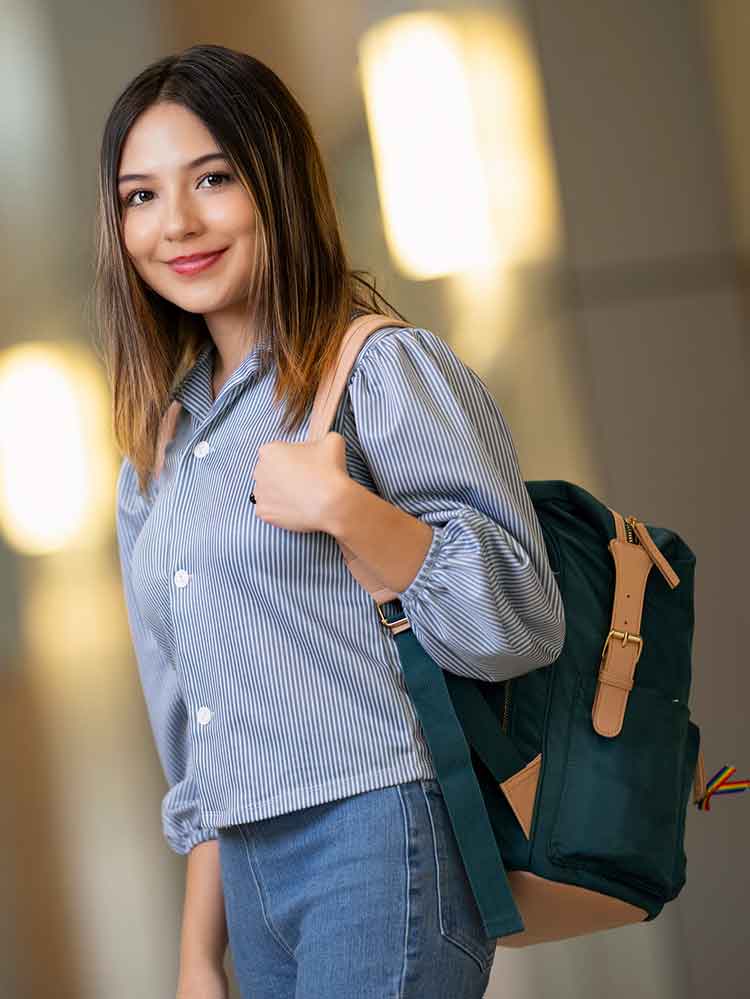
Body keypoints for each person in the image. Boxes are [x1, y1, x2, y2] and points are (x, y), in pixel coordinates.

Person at [97, 43, 565, 999]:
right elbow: (201, 736)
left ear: (277, 183)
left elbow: (519, 619)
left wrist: (348, 509)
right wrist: (197, 956)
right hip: (248, 879)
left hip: (379, 830)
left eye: (213, 179)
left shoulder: (382, 369)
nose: (176, 223)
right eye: (141, 196)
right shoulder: (160, 453)